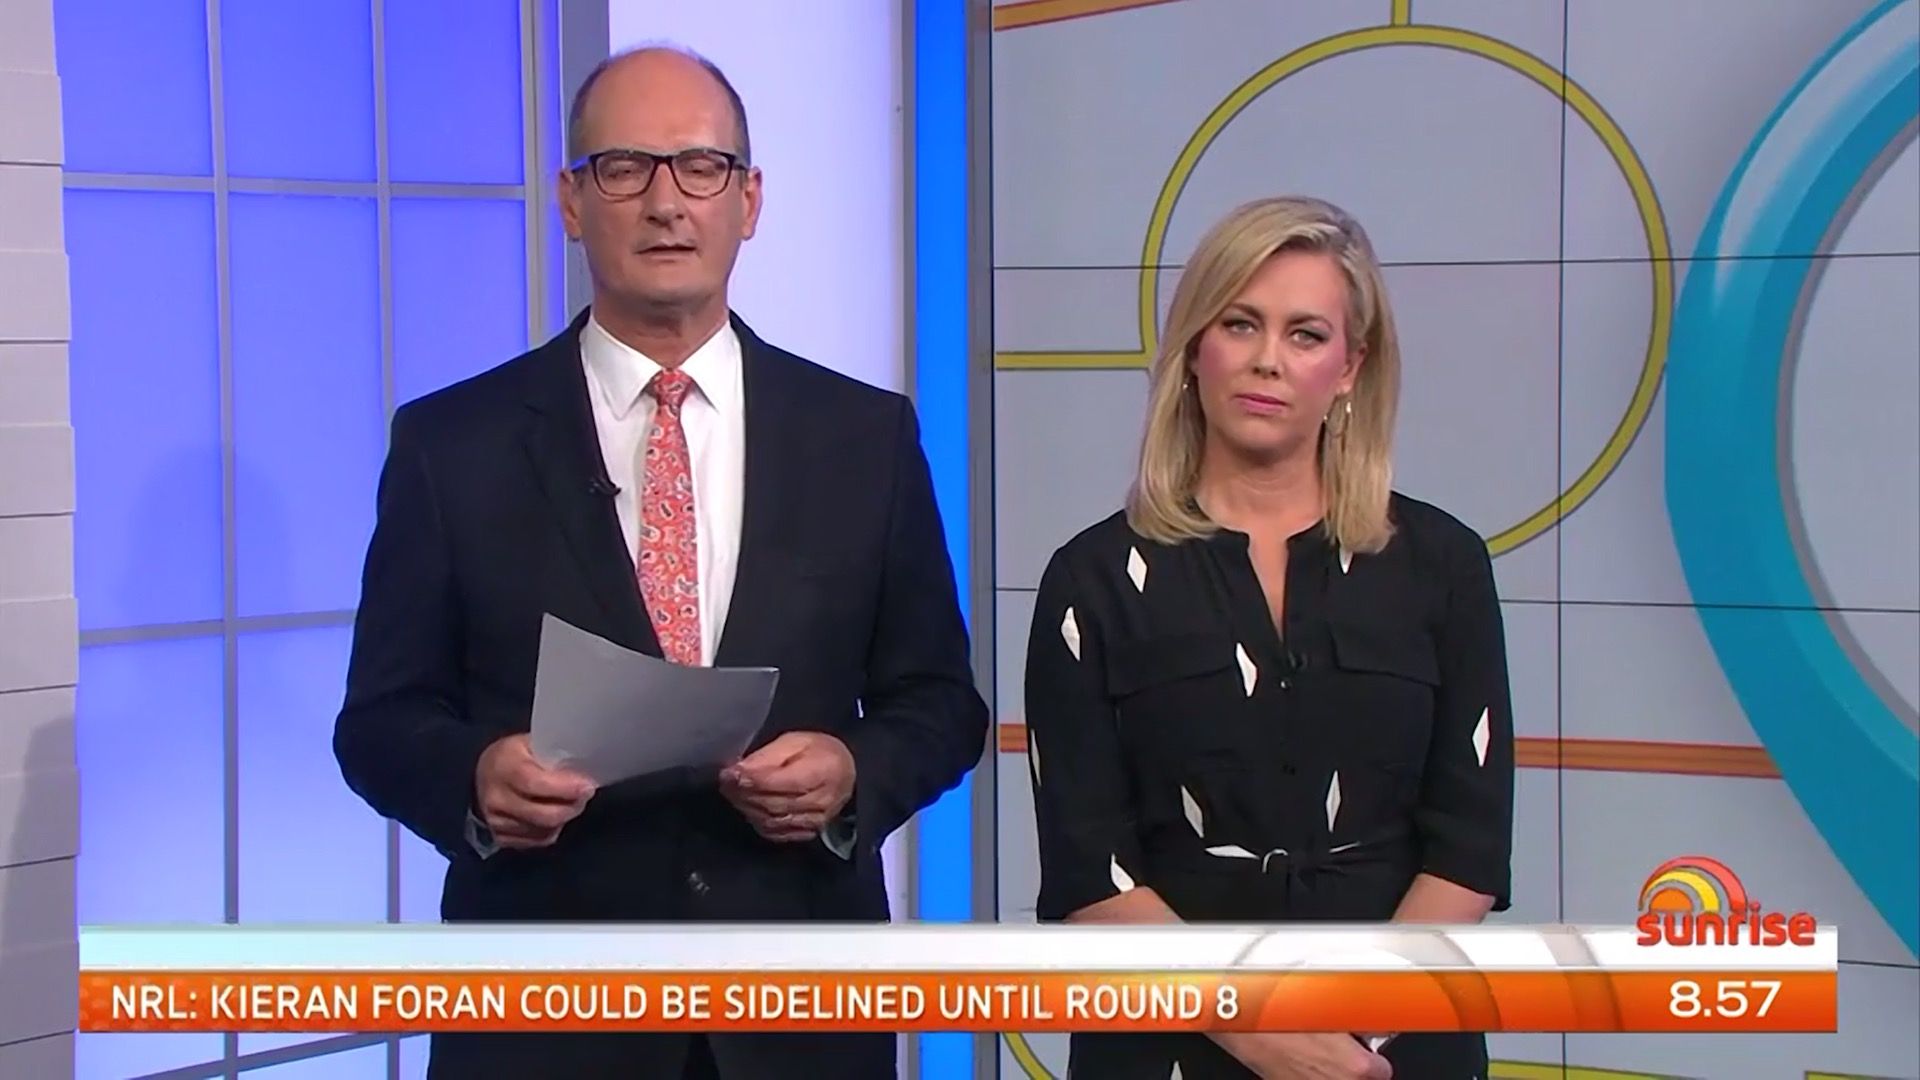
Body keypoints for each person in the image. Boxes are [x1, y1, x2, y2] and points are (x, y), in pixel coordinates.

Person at [333, 44, 987, 1079]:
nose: (666, 202)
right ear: (571, 200)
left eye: (701, 167)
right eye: (625, 168)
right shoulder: (451, 445)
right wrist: (474, 780)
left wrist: (855, 773)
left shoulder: (863, 435)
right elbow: (378, 722)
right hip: (549, 1023)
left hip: (799, 1019)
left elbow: (941, 703)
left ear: (749, 199)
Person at [1022, 196, 1516, 1080]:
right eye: (1240, 323)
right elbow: (1088, 869)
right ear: (1194, 350)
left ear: (1351, 367)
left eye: (1305, 334)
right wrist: (1261, 1032)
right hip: (1170, 1039)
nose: (1267, 360)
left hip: (1392, 1046)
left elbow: (1469, 847)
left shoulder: (1441, 565)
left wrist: (1350, 1030)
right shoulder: (1091, 581)